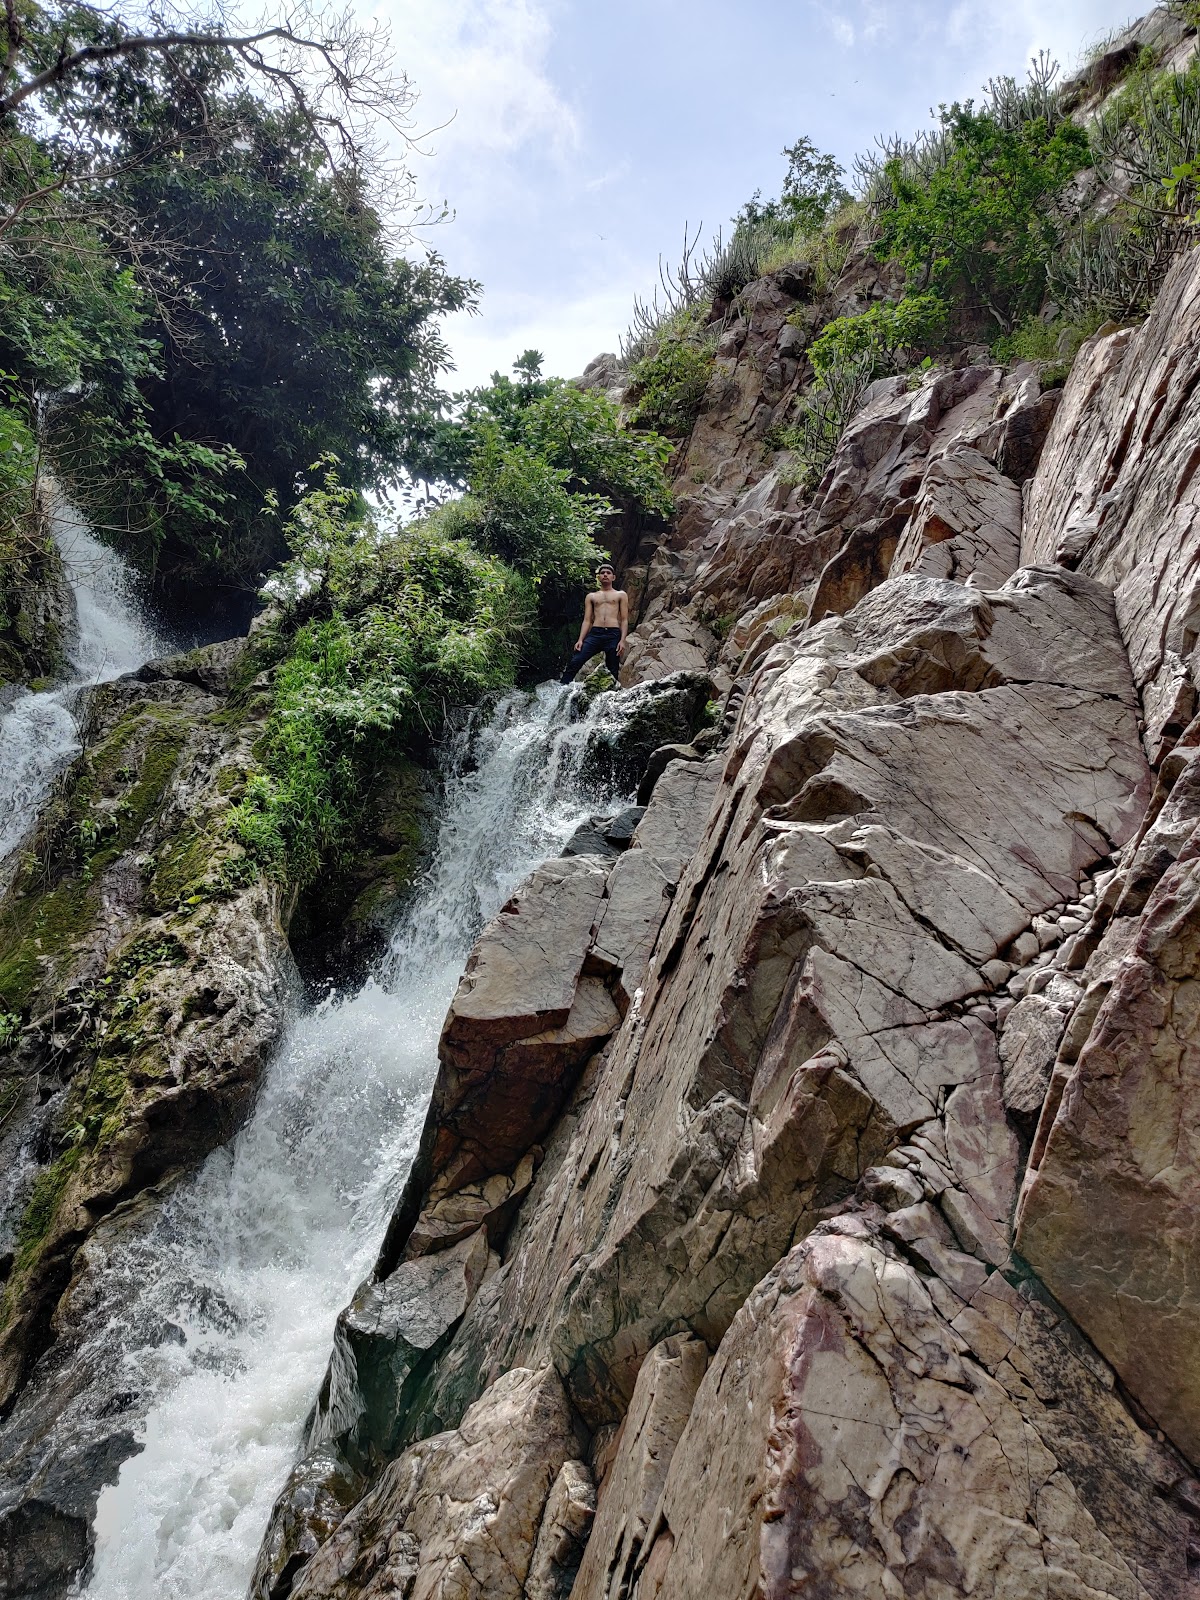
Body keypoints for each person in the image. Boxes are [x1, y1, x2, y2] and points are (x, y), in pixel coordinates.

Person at [560, 562, 629, 684]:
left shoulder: (621, 595)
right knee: (576, 660)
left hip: (613, 634)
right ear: (598, 577)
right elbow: (587, 620)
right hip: (595, 634)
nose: (605, 575)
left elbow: (624, 619)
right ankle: (562, 687)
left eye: (608, 573)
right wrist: (581, 639)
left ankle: (610, 696)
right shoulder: (591, 596)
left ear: (613, 577)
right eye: (602, 573)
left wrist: (622, 640)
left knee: (612, 668)